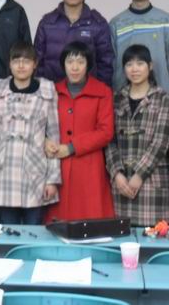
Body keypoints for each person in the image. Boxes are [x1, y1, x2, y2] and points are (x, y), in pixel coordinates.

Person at [0, 41, 61, 224]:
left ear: (35, 64)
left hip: (36, 171)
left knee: (35, 230)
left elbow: (54, 137)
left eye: (26, 61)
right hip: (4, 171)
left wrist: (52, 179)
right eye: (16, 61)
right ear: (10, 64)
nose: (21, 65)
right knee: (8, 231)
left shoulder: (47, 91)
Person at [105, 44, 169, 227]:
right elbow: (109, 141)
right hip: (121, 184)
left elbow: (160, 142)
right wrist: (116, 174)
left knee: (153, 237)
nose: (134, 69)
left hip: (151, 182)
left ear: (150, 66)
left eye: (140, 63)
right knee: (121, 237)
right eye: (129, 64)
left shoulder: (162, 98)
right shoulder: (116, 99)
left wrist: (139, 175)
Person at [45, 41, 114, 222]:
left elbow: (106, 132)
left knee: (90, 223)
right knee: (58, 225)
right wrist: (45, 141)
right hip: (57, 166)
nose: (74, 67)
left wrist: (71, 147)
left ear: (88, 65)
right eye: (69, 62)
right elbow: (40, 125)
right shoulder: (52, 91)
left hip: (90, 167)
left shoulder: (103, 92)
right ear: (63, 64)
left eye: (80, 62)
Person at [109, 0, 169, 99]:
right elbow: (112, 64)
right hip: (124, 97)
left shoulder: (166, 20)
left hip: (160, 96)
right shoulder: (116, 23)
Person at [34, 0, 113, 85]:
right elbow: (37, 61)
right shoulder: (47, 23)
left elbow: (105, 63)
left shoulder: (98, 24)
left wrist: (101, 92)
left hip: (88, 92)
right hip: (51, 90)